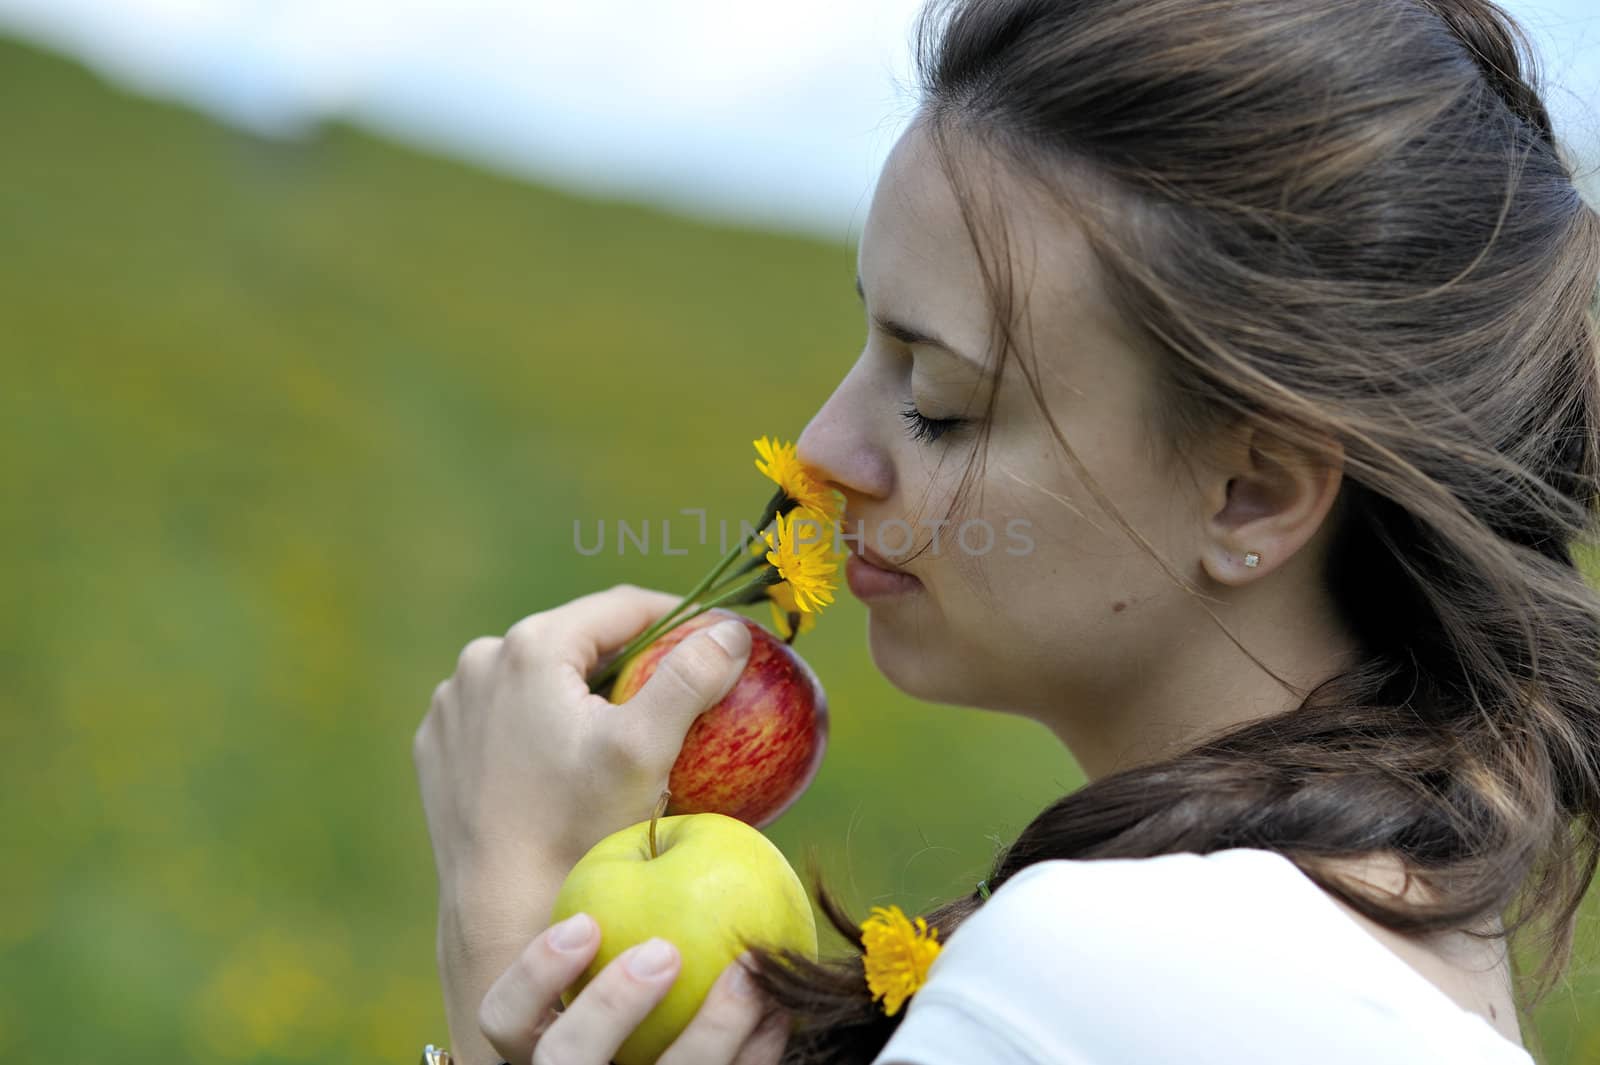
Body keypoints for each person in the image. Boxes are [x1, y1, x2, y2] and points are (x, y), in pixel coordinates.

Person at [410, 0, 1600, 1061]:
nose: (821, 449)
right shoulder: (1378, 964)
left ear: (1252, 493)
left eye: (940, 403)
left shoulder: (1093, 977)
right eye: (869, 342)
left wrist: (503, 918)